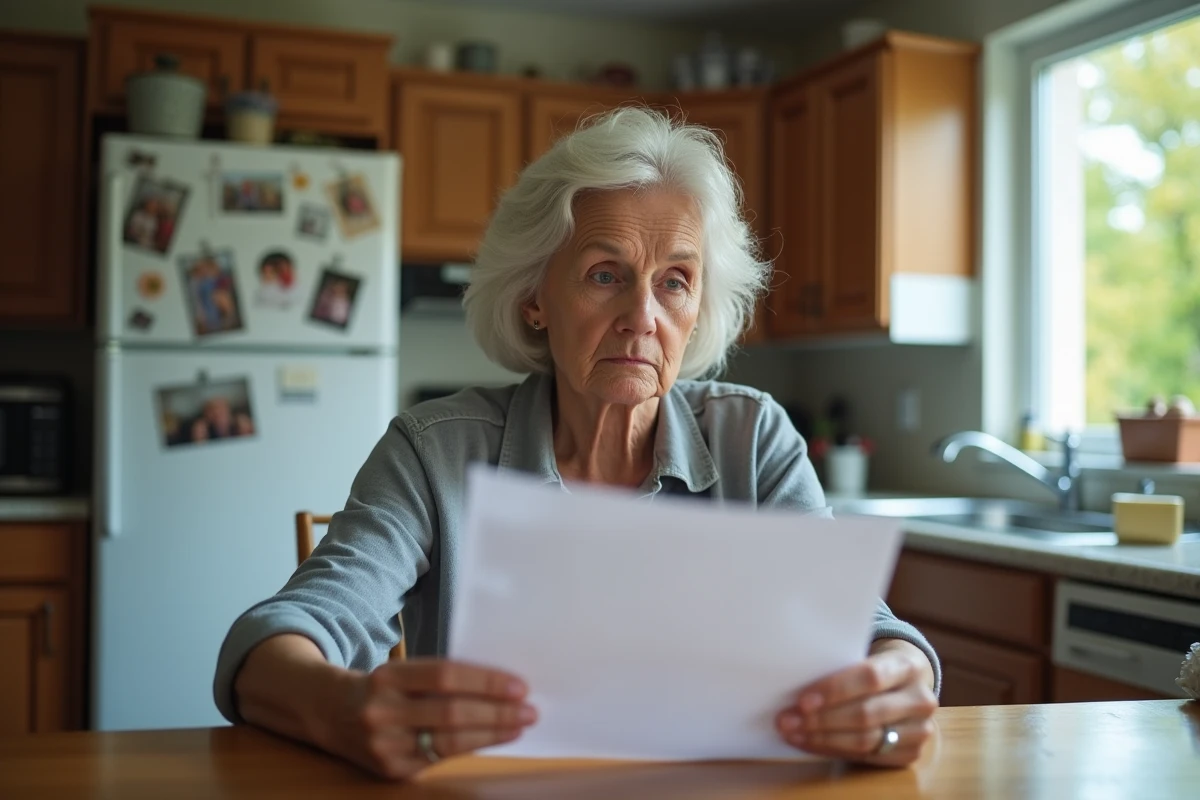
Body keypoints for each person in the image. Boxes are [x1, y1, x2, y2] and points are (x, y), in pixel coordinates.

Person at [214, 107, 941, 781]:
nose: (642, 318)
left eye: (675, 283)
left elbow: (865, 632)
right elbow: (276, 640)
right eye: (605, 275)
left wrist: (898, 674)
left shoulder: (753, 440)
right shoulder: (435, 450)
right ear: (535, 296)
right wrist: (346, 711)